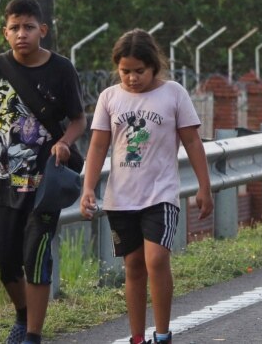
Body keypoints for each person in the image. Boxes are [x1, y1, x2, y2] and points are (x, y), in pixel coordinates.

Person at [0, 0, 86, 344]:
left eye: (29, 27)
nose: (22, 34)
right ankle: (22, 314)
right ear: (5, 32)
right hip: (3, 182)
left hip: (44, 182)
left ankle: (33, 335)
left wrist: (64, 142)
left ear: (42, 31)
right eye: (15, 28)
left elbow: (79, 120)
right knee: (5, 258)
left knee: (36, 255)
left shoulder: (62, 70)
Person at [81, 30, 214, 344]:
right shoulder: (109, 98)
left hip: (161, 193)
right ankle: (138, 337)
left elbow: (193, 142)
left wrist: (204, 186)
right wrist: (88, 188)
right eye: (125, 71)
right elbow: (98, 146)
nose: (131, 78)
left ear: (154, 66)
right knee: (134, 266)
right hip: (121, 198)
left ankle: (164, 333)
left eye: (139, 71)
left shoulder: (173, 93)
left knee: (156, 259)